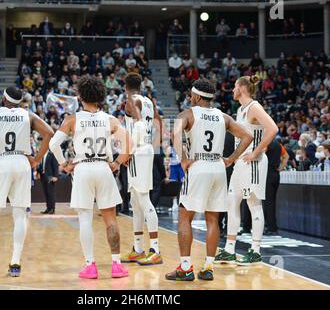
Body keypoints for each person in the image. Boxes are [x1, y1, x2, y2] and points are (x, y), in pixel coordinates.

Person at [165, 79, 252, 281]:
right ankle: (208, 267)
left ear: (195, 97)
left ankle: (185, 268)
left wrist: (184, 159)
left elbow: (175, 134)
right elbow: (247, 136)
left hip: (199, 165)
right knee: (213, 219)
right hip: (218, 168)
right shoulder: (223, 116)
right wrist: (231, 158)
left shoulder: (187, 114)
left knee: (185, 216)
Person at [49, 75, 132, 279]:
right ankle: (116, 265)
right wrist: (117, 163)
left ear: (80, 95)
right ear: (101, 96)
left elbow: (53, 145)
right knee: (110, 219)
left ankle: (90, 265)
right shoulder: (111, 120)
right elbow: (129, 144)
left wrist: (64, 164)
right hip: (104, 168)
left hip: (83, 168)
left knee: (85, 218)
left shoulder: (72, 119)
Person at [0, 87, 54, 278]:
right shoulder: (28, 114)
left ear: (4, 100)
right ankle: (15, 263)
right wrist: (37, 159)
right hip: (22, 163)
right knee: (20, 215)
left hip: (2, 161)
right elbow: (49, 132)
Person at [215, 75, 278, 266]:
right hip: (241, 163)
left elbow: (273, 129)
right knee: (231, 202)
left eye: (234, 86)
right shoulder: (241, 110)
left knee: (253, 205)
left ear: (242, 88)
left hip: (254, 163)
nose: (232, 90)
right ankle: (229, 250)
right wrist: (231, 160)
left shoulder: (254, 107)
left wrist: (256, 152)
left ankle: (256, 251)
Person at [121, 73, 164, 266]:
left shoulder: (131, 100)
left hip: (138, 150)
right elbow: (158, 123)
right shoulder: (148, 100)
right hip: (145, 148)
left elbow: (138, 125)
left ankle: (155, 250)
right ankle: (138, 249)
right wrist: (153, 145)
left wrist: (128, 152)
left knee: (143, 199)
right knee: (135, 201)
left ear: (125, 86)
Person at [263, 138, 289, 235]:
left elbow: (261, 155)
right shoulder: (278, 145)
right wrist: (280, 167)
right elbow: (286, 156)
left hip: (267, 173)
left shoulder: (265, 143)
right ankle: (272, 226)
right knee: (272, 201)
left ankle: (270, 227)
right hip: (275, 174)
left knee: (268, 202)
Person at [39, 150, 59, 214]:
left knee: (51, 193)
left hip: (50, 176)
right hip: (43, 176)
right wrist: (38, 171)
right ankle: (48, 208)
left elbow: (55, 165)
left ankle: (52, 209)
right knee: (46, 193)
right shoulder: (42, 155)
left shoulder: (51, 154)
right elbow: (41, 166)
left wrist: (56, 176)